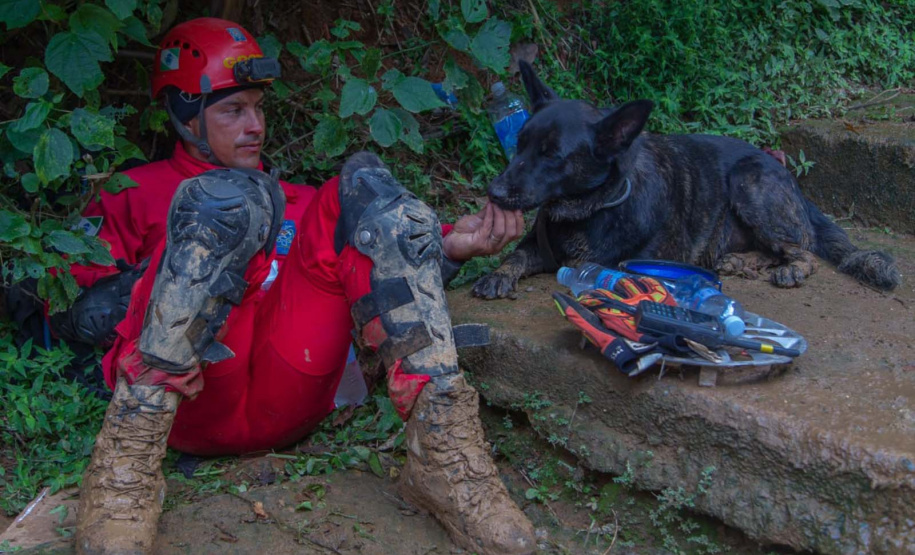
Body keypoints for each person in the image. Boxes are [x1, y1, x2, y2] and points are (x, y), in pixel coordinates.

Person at [73, 18, 536, 555]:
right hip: (189, 402)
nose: (255, 126)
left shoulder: (302, 201)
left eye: (258, 108)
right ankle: (125, 468)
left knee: (363, 186)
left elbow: (365, 282)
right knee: (224, 204)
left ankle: (448, 459)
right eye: (232, 110)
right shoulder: (133, 194)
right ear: (185, 116)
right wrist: (183, 279)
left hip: (294, 390)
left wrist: (452, 248)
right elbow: (83, 309)